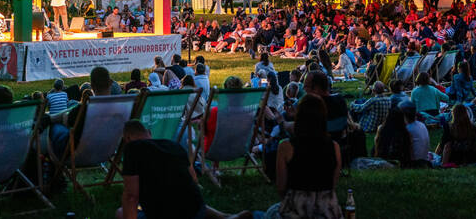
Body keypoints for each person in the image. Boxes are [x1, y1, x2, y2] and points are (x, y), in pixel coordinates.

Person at [117, 119, 247, 219]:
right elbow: (193, 179)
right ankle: (224, 216)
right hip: (196, 209)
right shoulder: (173, 145)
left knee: (120, 212)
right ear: (149, 133)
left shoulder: (133, 148)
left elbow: (131, 196)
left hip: (165, 213)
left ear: (127, 139)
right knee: (182, 196)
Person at [266, 94, 341, 219]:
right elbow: (332, 185)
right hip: (327, 210)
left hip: (296, 207)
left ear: (298, 117)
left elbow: (281, 187)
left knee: (265, 213)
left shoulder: (286, 147)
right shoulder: (335, 147)